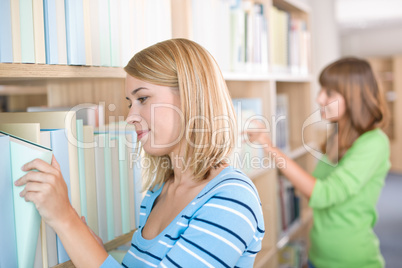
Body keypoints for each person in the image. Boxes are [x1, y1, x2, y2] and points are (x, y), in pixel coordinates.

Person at [15, 38, 265, 267]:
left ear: (190, 98)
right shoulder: (158, 192)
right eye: (129, 102)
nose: (130, 117)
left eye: (143, 98)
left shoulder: (232, 198)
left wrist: (65, 219)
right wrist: (94, 253)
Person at [246, 57, 390, 268]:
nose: (319, 98)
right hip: (318, 256)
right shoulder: (337, 136)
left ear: (354, 97)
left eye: (329, 93)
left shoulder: (375, 143)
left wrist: (269, 147)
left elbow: (322, 194)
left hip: (351, 261)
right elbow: (312, 189)